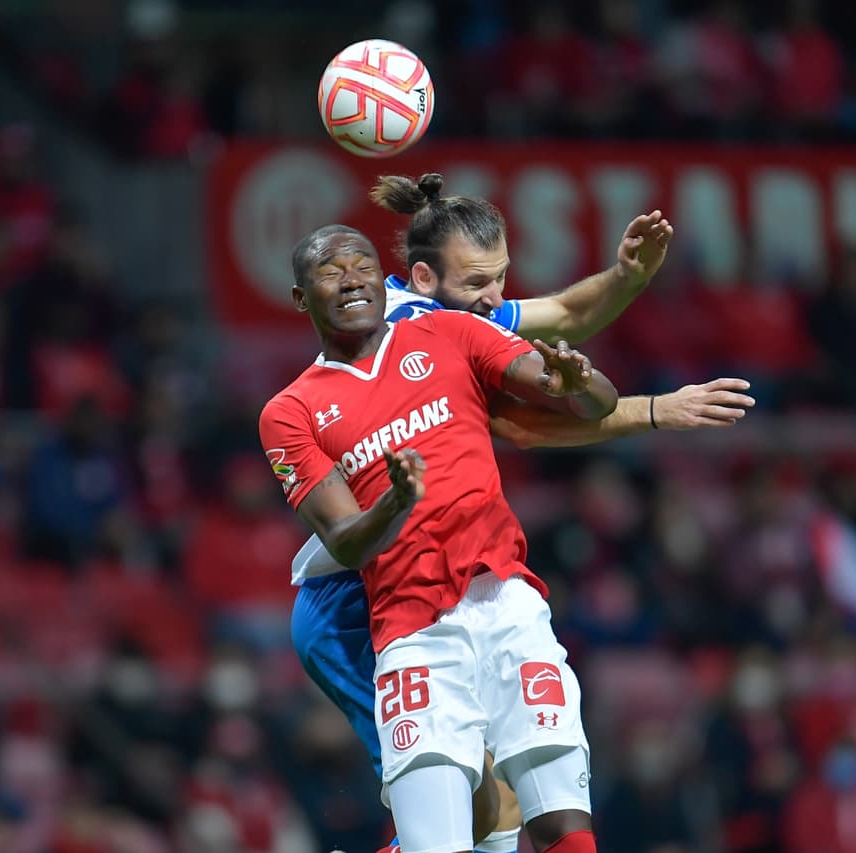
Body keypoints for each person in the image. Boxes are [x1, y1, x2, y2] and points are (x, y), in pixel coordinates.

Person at [288, 173, 754, 853]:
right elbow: (528, 426)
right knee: (477, 808)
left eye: (501, 278)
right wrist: (654, 410)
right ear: (422, 277)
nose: (497, 298)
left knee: (502, 812)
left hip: (440, 582)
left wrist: (626, 276)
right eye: (481, 281)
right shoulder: (413, 327)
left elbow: (565, 316)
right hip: (356, 599)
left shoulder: (454, 320)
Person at [260, 224, 613, 853]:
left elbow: (591, 405)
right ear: (298, 297)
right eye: (330, 271)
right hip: (410, 630)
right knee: (449, 840)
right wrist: (396, 502)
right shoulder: (291, 411)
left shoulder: (450, 333)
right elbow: (344, 540)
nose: (351, 280)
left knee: (562, 825)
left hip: (508, 602)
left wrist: (579, 380)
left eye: (362, 265)